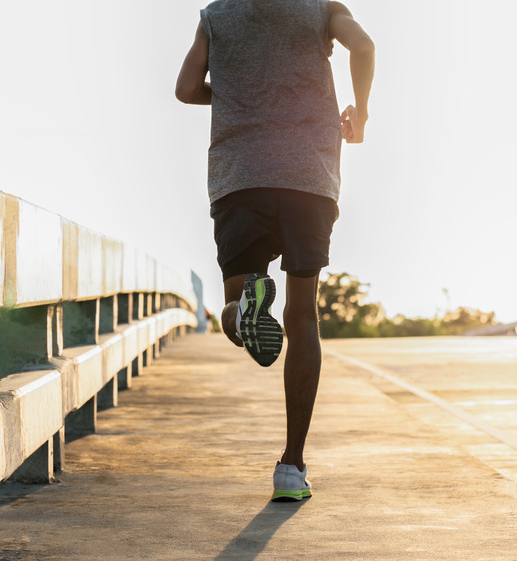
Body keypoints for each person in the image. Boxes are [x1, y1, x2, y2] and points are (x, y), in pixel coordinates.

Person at [175, 0, 374, 501]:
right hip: (309, 178)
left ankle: (243, 309)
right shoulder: (321, 7)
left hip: (240, 177)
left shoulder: (216, 15)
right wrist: (361, 115)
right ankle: (291, 467)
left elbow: (184, 89)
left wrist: (239, 94)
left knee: (235, 305)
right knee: (302, 317)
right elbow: (365, 46)